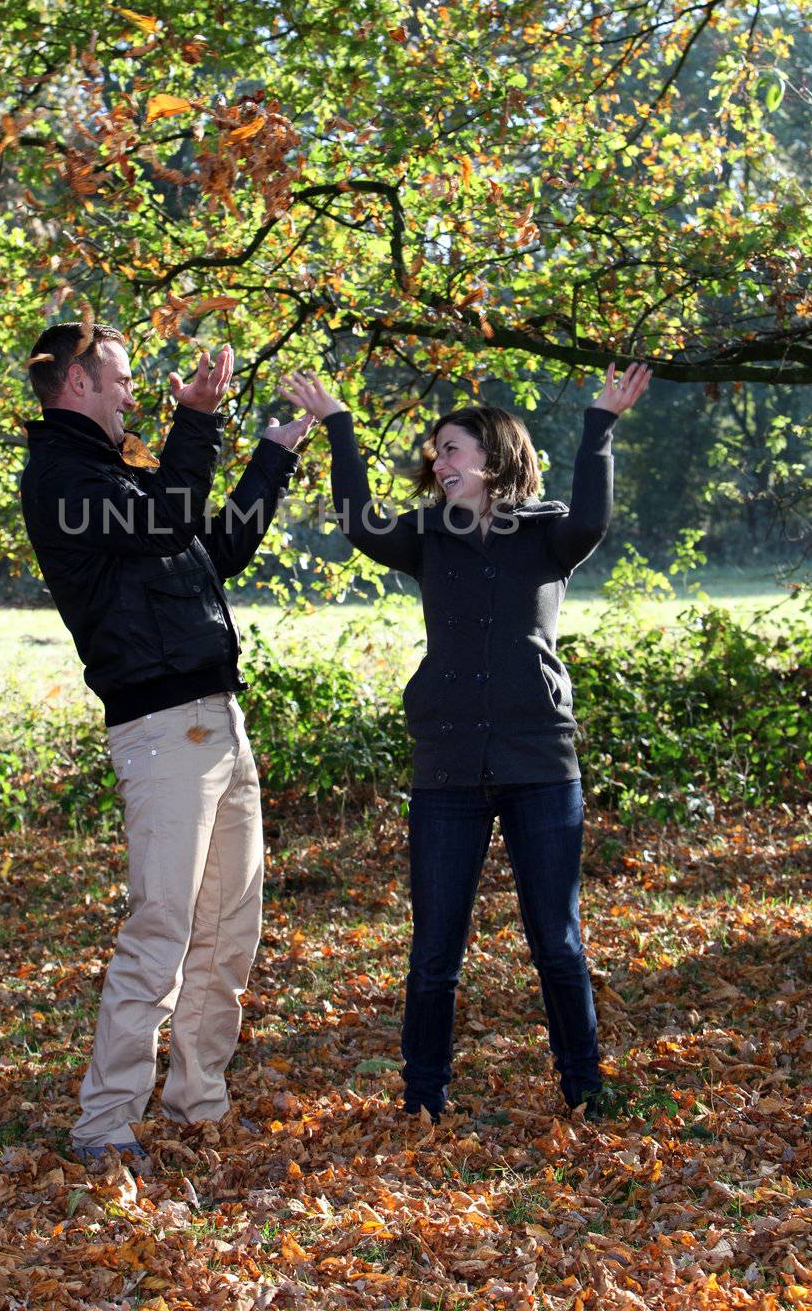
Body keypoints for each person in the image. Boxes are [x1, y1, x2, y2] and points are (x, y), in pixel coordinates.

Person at [279, 363, 651, 1120]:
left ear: (493, 457)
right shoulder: (427, 537)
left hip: (539, 765)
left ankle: (584, 1090)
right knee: (433, 953)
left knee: (557, 943)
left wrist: (599, 425)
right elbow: (358, 523)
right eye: (435, 454)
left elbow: (593, 515)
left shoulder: (549, 535)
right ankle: (423, 1100)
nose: (437, 464)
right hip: (447, 767)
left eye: (449, 450)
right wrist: (340, 423)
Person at [21, 320, 314, 1168]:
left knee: (227, 930)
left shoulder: (123, 475)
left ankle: (197, 1106)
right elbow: (169, 521)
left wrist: (270, 458)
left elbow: (212, 547)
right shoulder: (63, 477)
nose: (130, 390)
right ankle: (104, 1125)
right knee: (161, 928)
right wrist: (198, 420)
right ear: (75, 384)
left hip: (218, 720)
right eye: (116, 376)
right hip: (162, 732)